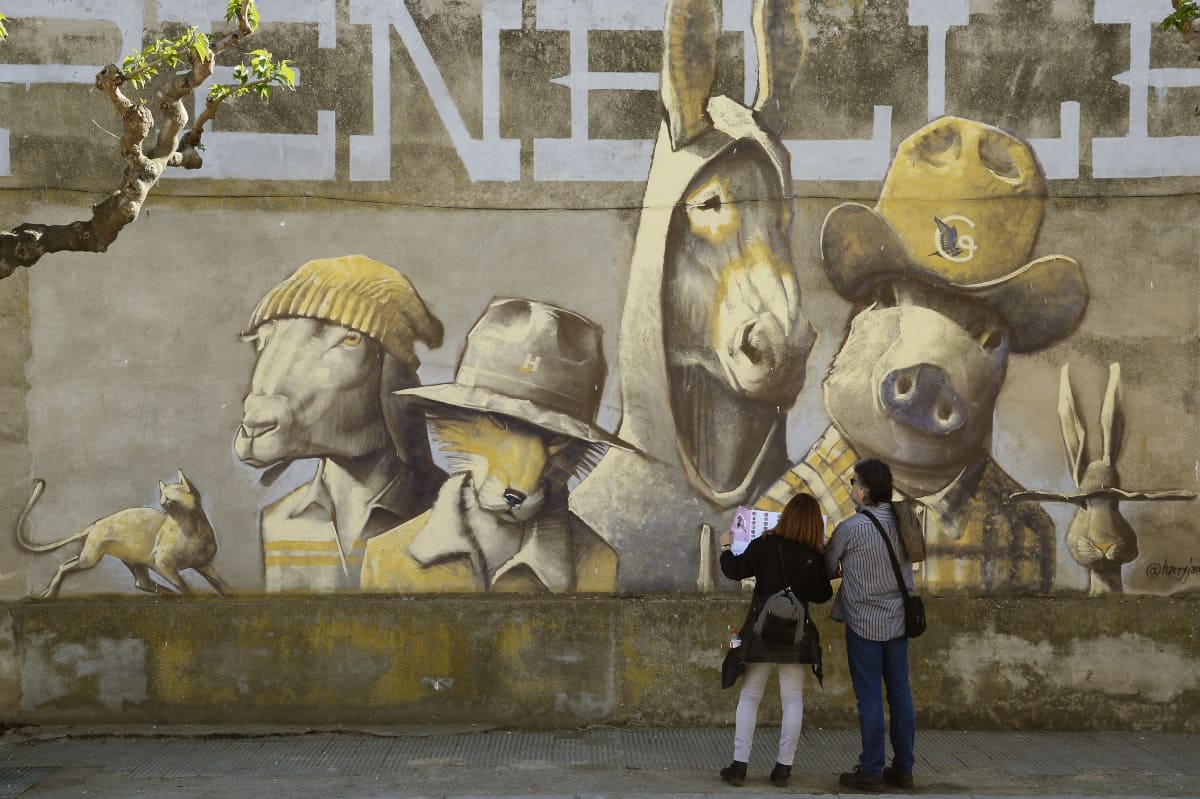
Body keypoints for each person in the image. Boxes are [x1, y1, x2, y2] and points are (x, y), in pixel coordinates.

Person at [717, 492, 833, 788]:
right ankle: (783, 770)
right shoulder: (813, 555)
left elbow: (734, 570)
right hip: (796, 636)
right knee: (792, 698)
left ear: (787, 516)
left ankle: (739, 766)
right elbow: (822, 595)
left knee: (750, 696)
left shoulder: (765, 544)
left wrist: (726, 545)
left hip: (760, 631)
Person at [826, 458, 916, 792]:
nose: (851, 489)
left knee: (869, 698)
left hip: (863, 622)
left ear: (862, 490)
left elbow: (826, 567)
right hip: (898, 620)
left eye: (853, 483)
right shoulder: (904, 522)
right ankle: (904, 768)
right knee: (900, 693)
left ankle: (872, 769)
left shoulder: (851, 528)